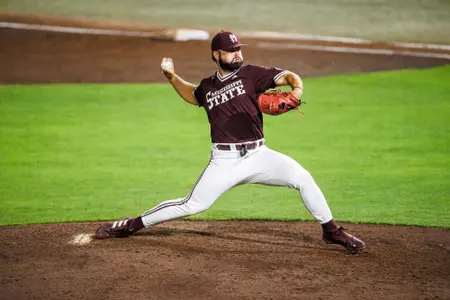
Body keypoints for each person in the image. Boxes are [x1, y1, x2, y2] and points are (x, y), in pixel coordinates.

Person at [95, 30, 365, 253]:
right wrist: (171, 77)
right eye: (231, 50)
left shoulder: (253, 74)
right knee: (193, 204)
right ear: (216, 55)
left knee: (303, 177)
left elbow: (289, 76)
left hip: (259, 155)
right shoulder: (208, 86)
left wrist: (297, 89)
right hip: (224, 161)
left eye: (239, 49)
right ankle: (130, 225)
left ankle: (331, 231)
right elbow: (192, 95)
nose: (238, 53)